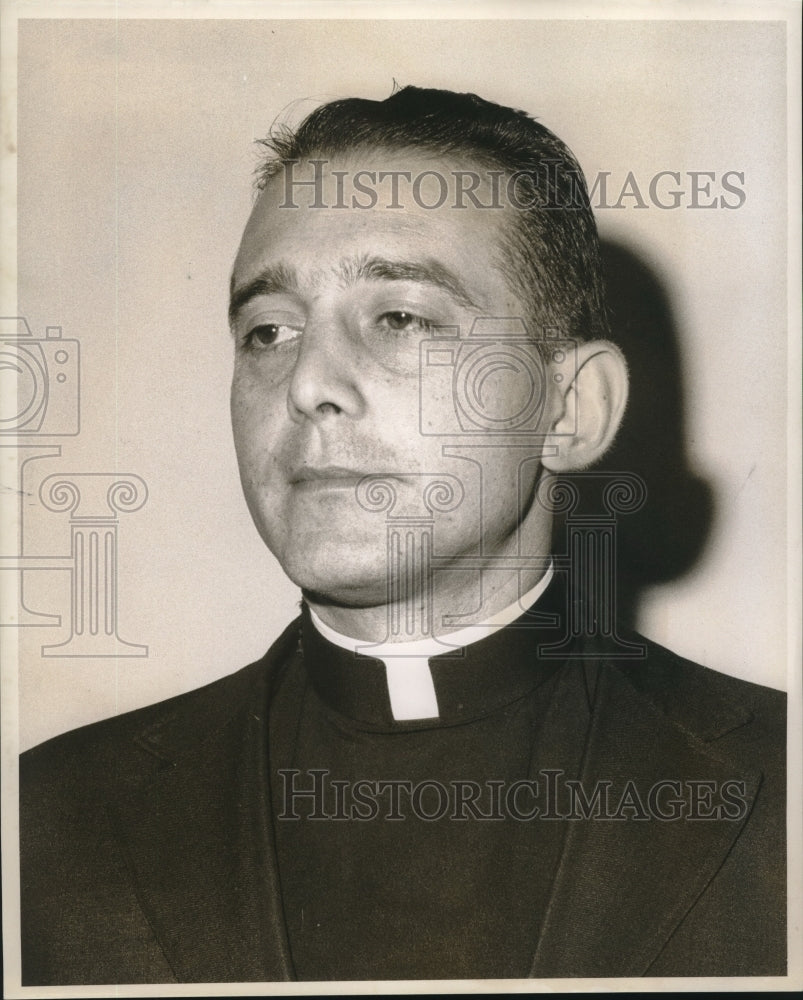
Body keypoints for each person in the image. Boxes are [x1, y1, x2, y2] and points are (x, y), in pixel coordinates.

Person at [20, 86, 786, 984]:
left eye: (399, 317)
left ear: (571, 409)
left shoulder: (782, 789)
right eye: (269, 330)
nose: (308, 382)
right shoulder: (48, 816)